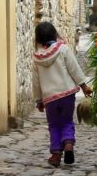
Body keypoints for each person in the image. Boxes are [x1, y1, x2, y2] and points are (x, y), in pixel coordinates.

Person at [32, 21, 91, 168]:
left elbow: (36, 82)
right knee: (67, 121)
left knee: (54, 125)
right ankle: (69, 144)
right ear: (54, 34)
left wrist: (39, 100)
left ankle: (56, 154)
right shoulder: (63, 49)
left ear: (38, 39)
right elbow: (74, 69)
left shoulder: (37, 58)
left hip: (50, 98)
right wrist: (84, 86)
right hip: (66, 95)